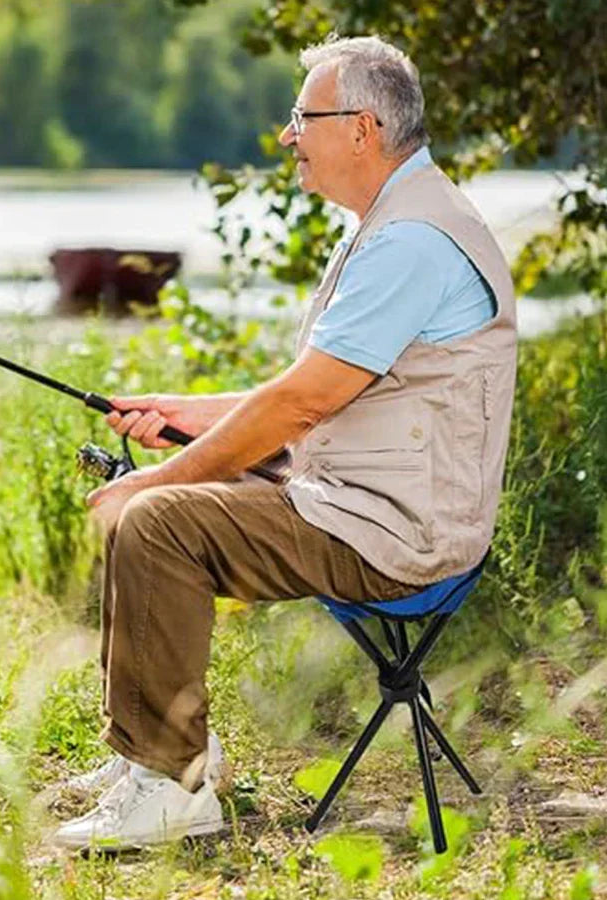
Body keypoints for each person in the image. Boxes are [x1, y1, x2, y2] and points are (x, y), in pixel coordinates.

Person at [52, 34, 517, 849]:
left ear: (362, 129)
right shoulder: (393, 218)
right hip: (358, 501)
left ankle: (173, 787)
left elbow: (304, 402)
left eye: (303, 116)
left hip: (400, 532)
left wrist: (157, 478)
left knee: (158, 519)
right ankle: (157, 755)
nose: (287, 135)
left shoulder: (410, 239)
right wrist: (186, 412)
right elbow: (331, 386)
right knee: (153, 511)